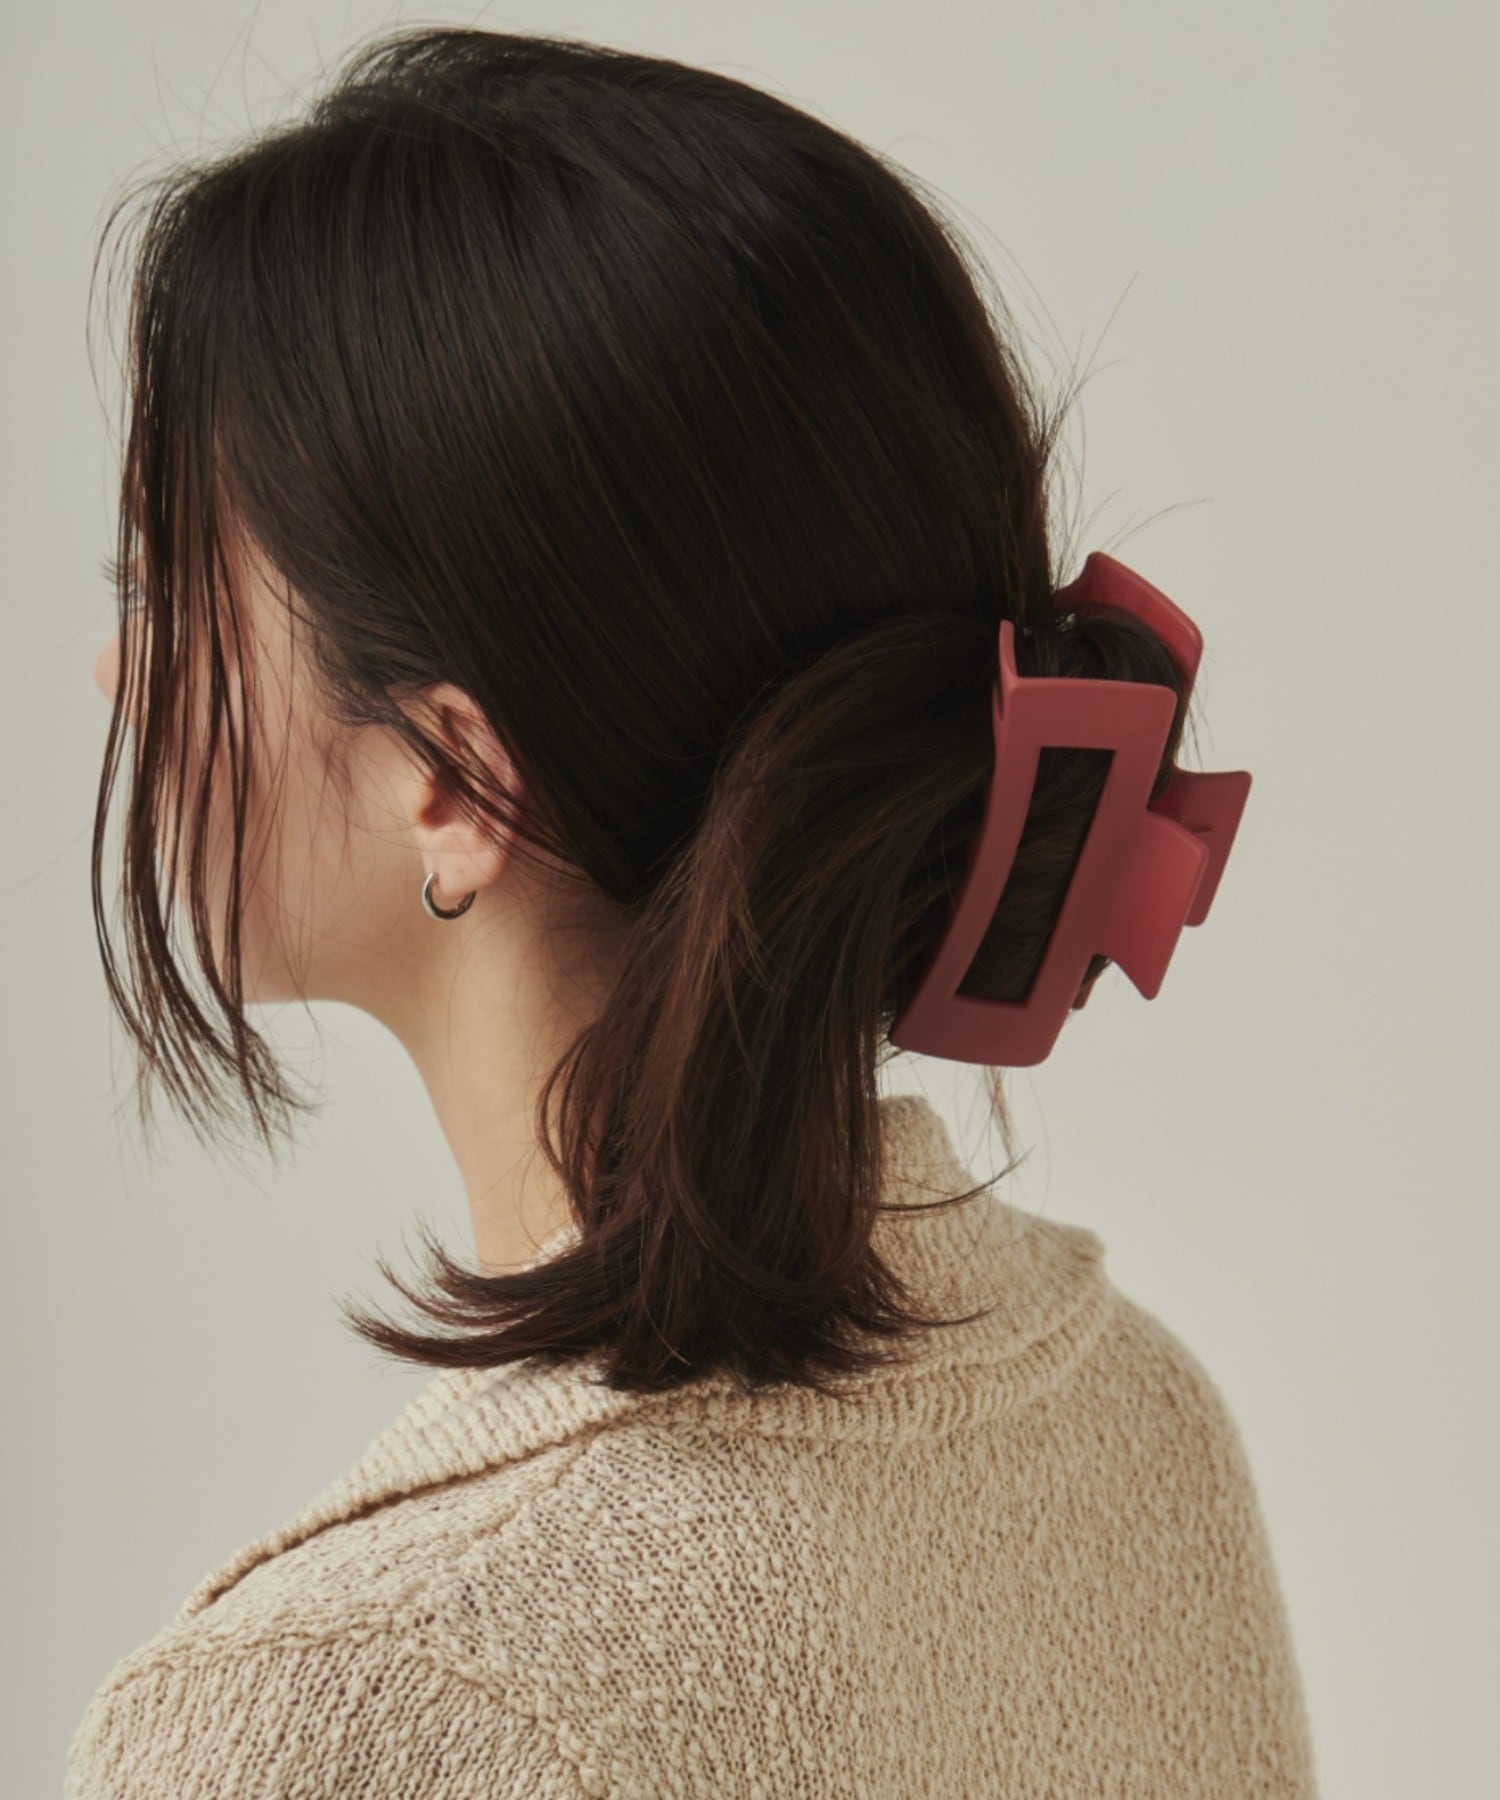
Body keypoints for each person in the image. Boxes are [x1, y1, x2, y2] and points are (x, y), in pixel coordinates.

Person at [66, 24, 1318, 1797]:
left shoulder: (339, 1714)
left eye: (164, 580)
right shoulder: (1133, 1419)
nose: (117, 667)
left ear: (456, 780)